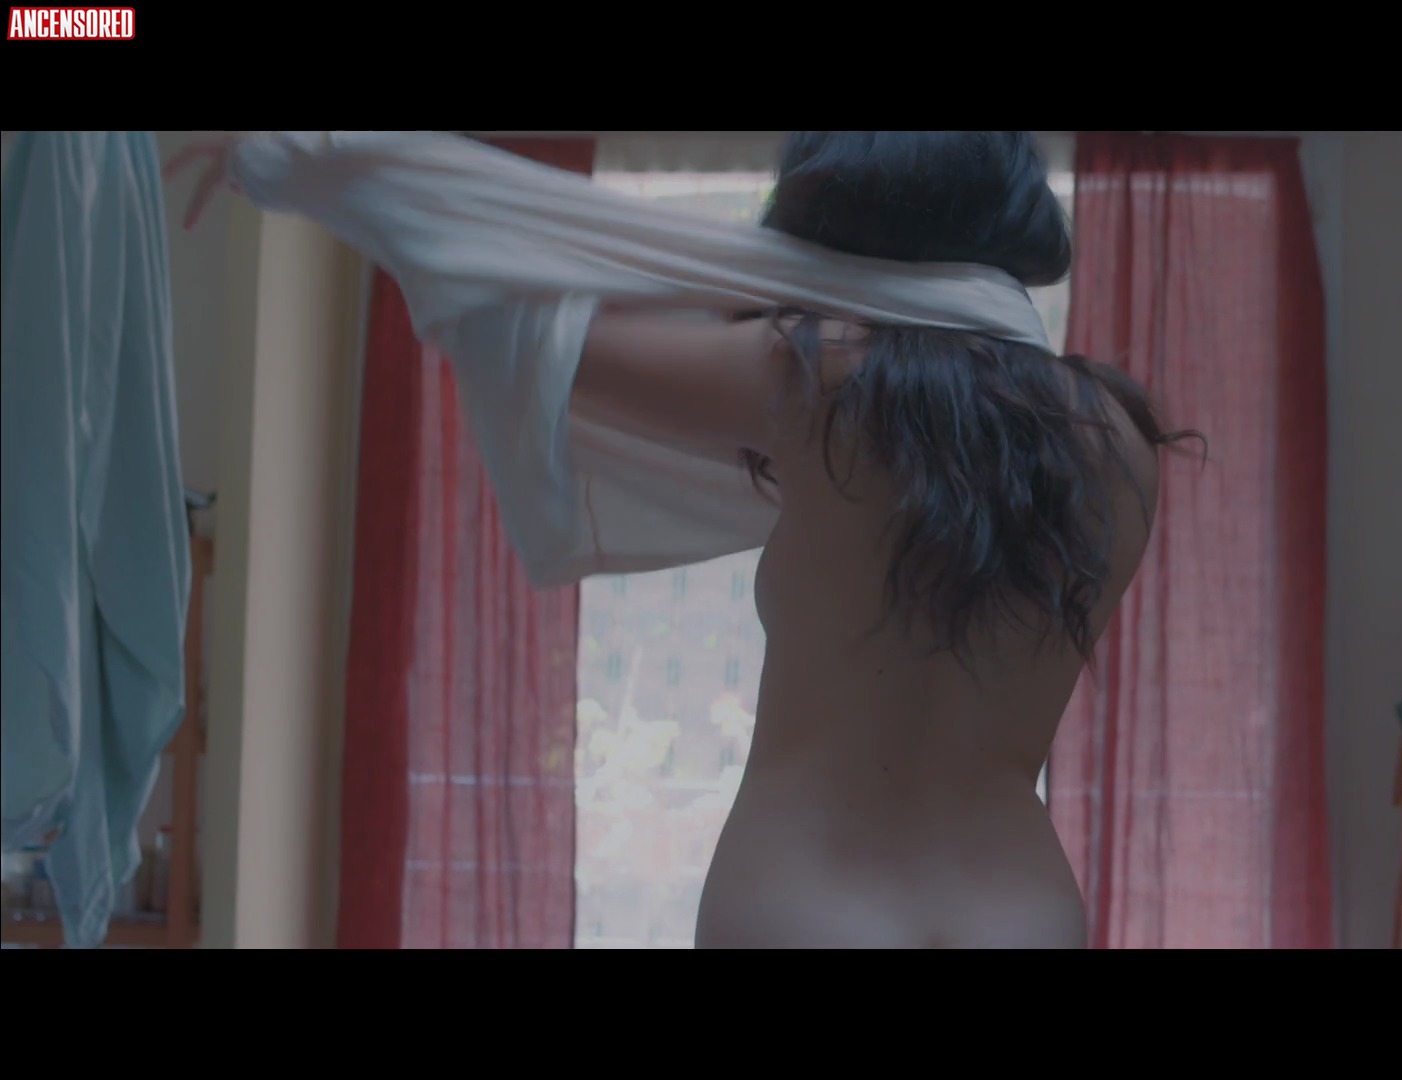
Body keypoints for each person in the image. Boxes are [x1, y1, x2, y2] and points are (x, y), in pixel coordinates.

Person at [177, 131, 1197, 948]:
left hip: (804, 904)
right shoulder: (1116, 438)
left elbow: (535, 331)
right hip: (1024, 910)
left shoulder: (822, 381)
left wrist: (323, 165)